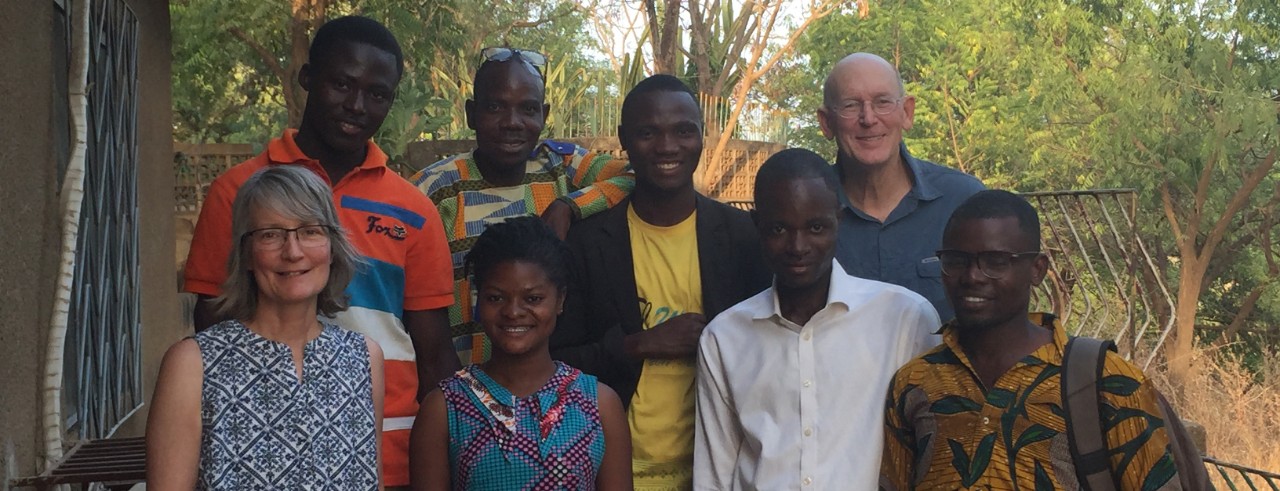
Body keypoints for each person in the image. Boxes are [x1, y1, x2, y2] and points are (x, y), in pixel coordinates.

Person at [180, 16, 454, 487]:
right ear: (307, 78)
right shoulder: (238, 192)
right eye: (342, 84)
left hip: (391, 453)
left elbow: (434, 355)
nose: (357, 105)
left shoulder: (414, 210)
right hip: (262, 446)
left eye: (377, 94)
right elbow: (213, 327)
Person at [549, 74, 771, 489]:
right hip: (611, 472)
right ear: (624, 141)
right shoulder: (587, 244)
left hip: (716, 472)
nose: (668, 146)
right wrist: (639, 344)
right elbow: (554, 363)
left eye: (683, 131)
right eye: (648, 132)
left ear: (701, 136)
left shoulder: (741, 237)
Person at [879, 190, 1181, 490]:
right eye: (957, 260)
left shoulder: (1107, 381)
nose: (972, 276)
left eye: (996, 261)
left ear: (1037, 270)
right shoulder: (915, 382)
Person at [694, 148, 941, 490]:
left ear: (839, 220)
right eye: (779, 229)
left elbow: (934, 452)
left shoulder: (904, 319)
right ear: (757, 225)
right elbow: (715, 474)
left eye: (815, 227)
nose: (798, 246)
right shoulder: (724, 337)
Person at [148, 166, 383, 488]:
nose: (293, 252)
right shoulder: (193, 364)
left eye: (310, 231)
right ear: (246, 254)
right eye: (270, 235)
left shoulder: (364, 357)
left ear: (332, 248)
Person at [411, 47, 634, 366]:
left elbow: (636, 174)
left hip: (546, 381)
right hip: (461, 382)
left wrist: (569, 205)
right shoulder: (433, 190)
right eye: (495, 107)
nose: (512, 122)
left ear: (544, 114)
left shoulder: (561, 167)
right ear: (471, 114)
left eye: (528, 109)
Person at [409, 217, 633, 490]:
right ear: (479, 300)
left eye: (533, 299)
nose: (513, 312)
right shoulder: (444, 407)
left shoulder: (600, 404)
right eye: (496, 297)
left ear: (560, 300)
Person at [818, 52, 985, 322]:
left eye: (882, 102)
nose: (868, 118)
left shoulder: (964, 202)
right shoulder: (807, 216)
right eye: (850, 105)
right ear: (826, 123)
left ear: (907, 112)